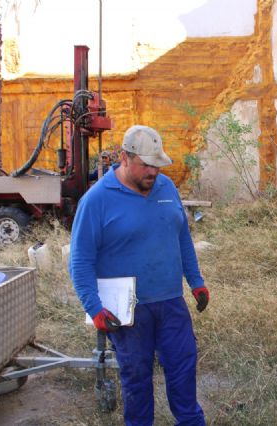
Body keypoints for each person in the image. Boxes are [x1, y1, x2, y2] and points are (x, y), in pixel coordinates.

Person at [69, 125, 209, 426]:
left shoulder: (167, 187)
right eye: (145, 164)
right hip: (127, 310)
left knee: (184, 367)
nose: (153, 172)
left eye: (156, 165)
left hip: (171, 301)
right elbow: (80, 261)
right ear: (124, 157)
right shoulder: (96, 200)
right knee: (137, 378)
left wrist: (195, 282)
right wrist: (94, 307)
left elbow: (181, 236)